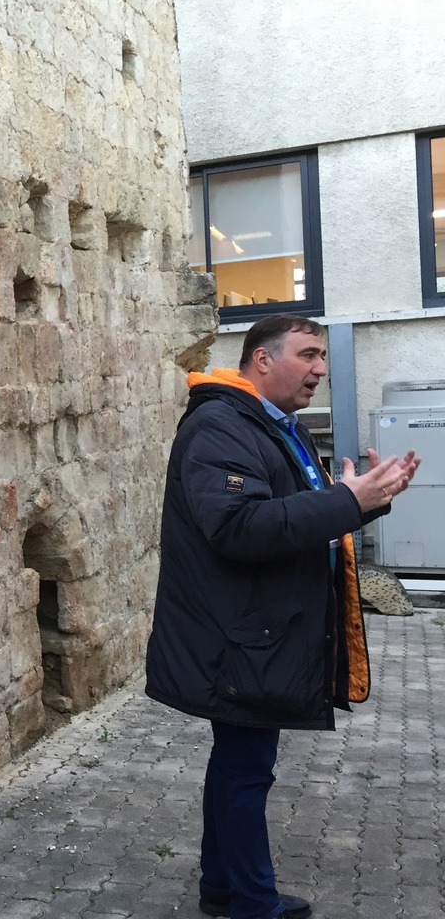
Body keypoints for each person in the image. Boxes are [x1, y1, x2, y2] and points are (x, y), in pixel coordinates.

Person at [145, 314, 421, 919]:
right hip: (241, 637)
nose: (321, 369)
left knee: (239, 763)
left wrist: (360, 501)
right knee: (246, 770)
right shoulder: (221, 426)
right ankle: (252, 903)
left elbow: (298, 513)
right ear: (262, 359)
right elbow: (238, 526)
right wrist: (347, 500)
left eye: (322, 356)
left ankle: (224, 889)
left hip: (257, 632)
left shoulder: (272, 424)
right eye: (308, 355)